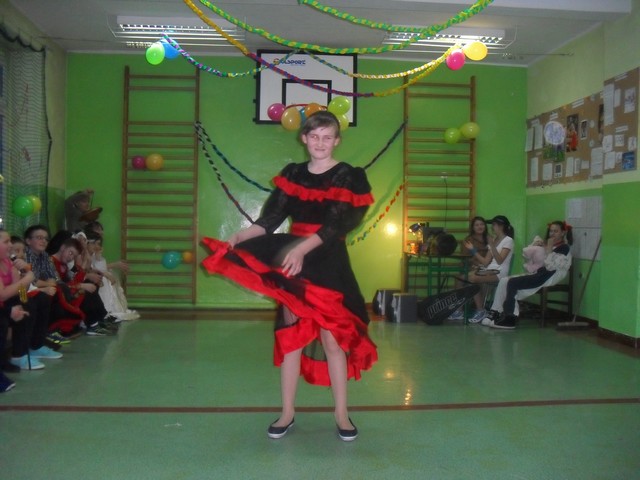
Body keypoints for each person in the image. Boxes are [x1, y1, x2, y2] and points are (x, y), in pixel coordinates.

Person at [201, 111, 377, 441]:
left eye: (327, 137)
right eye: (314, 136)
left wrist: (301, 250)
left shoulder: (348, 176)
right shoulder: (293, 174)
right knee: (291, 336)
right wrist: (240, 236)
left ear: (337, 141)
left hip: (328, 260)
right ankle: (287, 412)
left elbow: (336, 224)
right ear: (304, 138)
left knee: (332, 339)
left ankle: (341, 414)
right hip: (293, 264)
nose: (320, 142)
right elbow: (270, 219)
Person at [482, 220, 573, 330]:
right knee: (504, 280)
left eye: (556, 231)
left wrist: (548, 249)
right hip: (540, 273)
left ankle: (510, 317)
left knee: (512, 283)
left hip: (549, 276)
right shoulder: (549, 245)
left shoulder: (564, 248)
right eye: (551, 231)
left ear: (563, 233)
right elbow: (531, 260)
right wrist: (537, 246)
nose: (552, 234)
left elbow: (550, 267)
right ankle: (495, 311)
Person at [451, 215, 514, 323]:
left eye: (494, 225)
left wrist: (491, 245)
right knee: (463, 277)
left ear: (500, 226)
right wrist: (474, 252)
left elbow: (500, 261)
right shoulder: (494, 239)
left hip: (499, 272)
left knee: (472, 278)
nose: (491, 227)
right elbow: (485, 261)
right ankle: (460, 310)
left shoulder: (508, 240)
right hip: (489, 269)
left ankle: (481, 310)